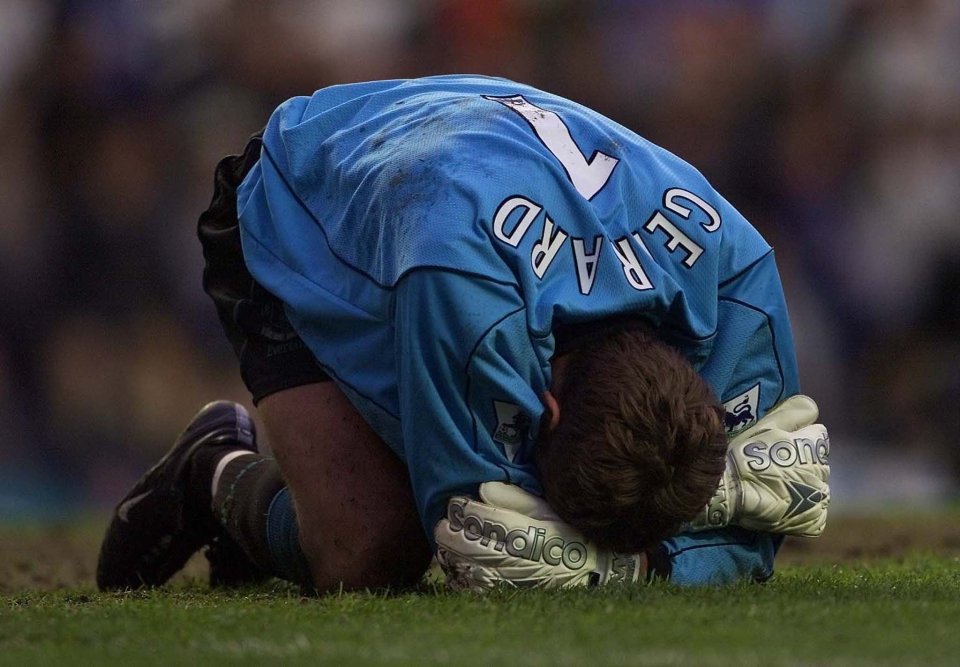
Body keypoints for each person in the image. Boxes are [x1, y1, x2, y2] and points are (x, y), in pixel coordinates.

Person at [96, 75, 829, 593]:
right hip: (298, 189)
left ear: (699, 380)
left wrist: (667, 530)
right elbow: (475, 532)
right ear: (546, 407)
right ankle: (215, 468)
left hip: (449, 166)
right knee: (369, 552)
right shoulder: (467, 297)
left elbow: (761, 532)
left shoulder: (739, 277)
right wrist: (690, 534)